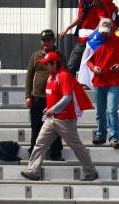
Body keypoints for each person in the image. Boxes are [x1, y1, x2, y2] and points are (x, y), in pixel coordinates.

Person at [20, 51, 99, 182]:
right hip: (52, 119)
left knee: (76, 146)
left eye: (47, 64)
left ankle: (91, 171)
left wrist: (52, 109)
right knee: (40, 144)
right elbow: (54, 97)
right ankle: (33, 171)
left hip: (65, 120)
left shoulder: (64, 76)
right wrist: (49, 108)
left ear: (55, 63)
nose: (45, 67)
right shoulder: (51, 77)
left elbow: (67, 98)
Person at [88, 18, 119, 149]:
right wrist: (93, 68)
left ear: (111, 30)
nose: (104, 34)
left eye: (106, 31)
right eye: (102, 31)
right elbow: (88, 60)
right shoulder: (93, 41)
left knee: (111, 110)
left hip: (113, 81)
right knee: (100, 111)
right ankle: (100, 134)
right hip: (98, 81)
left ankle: (114, 137)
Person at [25, 29, 65, 159]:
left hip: (54, 98)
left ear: (53, 41)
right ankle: (34, 151)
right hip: (38, 97)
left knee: (56, 126)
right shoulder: (36, 55)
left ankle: (55, 152)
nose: (46, 42)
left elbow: (65, 74)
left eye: (48, 40)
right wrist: (28, 95)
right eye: (44, 40)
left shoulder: (59, 55)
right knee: (36, 126)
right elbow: (29, 76)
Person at [60, 0, 109, 75]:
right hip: (83, 37)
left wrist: (94, 34)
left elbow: (102, 20)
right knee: (79, 63)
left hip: (92, 39)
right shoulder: (83, 1)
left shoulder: (95, 1)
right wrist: (68, 28)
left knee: (74, 64)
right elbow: (80, 18)